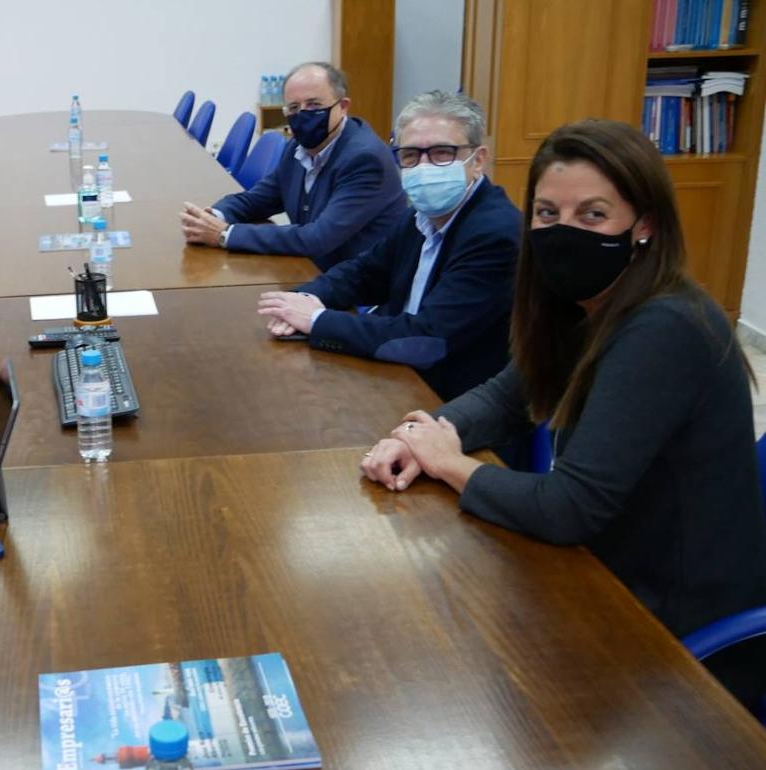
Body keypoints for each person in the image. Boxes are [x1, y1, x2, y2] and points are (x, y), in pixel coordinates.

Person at [361, 119, 766, 706]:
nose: (564, 232)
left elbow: (570, 508)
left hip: (663, 621)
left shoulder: (665, 327)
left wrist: (450, 464)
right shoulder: (584, 301)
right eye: (548, 214)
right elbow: (509, 394)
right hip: (600, 565)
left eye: (593, 215)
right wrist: (423, 433)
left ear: (645, 224)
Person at [258, 91, 519, 404]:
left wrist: (316, 320)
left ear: (478, 160)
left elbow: (425, 338)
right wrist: (304, 298)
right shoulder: (422, 215)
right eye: (410, 155)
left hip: (450, 404)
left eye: (441, 153)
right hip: (401, 377)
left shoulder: (495, 235)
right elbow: (365, 272)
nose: (424, 166)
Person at [179, 61, 406, 271]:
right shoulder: (297, 148)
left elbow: (318, 238)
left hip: (355, 285)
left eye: (314, 104)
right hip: (309, 268)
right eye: (294, 108)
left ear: (343, 106)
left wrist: (225, 234)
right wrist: (212, 216)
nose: (303, 114)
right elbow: (258, 200)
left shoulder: (365, 159)